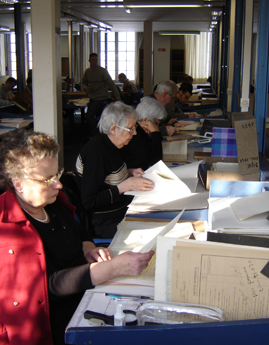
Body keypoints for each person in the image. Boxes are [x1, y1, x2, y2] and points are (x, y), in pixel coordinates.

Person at [0, 129, 154, 345]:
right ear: (18, 184)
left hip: (87, 295)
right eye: (47, 179)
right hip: (55, 324)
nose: (59, 184)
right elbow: (49, 285)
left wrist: (89, 249)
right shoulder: (7, 229)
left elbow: (80, 232)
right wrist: (115, 267)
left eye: (58, 174)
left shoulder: (52, 203)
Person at [76, 101, 154, 238]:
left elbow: (108, 173)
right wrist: (125, 186)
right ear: (113, 129)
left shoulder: (112, 144)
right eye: (131, 129)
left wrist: (129, 172)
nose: (135, 133)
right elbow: (89, 201)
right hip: (103, 221)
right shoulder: (96, 154)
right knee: (152, 225)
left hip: (117, 208)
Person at [121, 96, 167, 170]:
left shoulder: (140, 131)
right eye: (156, 123)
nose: (156, 126)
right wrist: (156, 133)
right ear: (146, 120)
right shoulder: (135, 134)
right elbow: (156, 162)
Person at [82, 53, 121, 136]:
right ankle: (95, 134)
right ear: (89, 61)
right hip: (92, 97)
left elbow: (111, 84)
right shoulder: (87, 72)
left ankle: (96, 135)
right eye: (93, 60)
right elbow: (83, 82)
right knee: (89, 117)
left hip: (101, 98)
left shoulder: (102, 71)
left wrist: (118, 98)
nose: (95, 62)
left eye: (96, 60)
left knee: (90, 116)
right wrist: (85, 88)